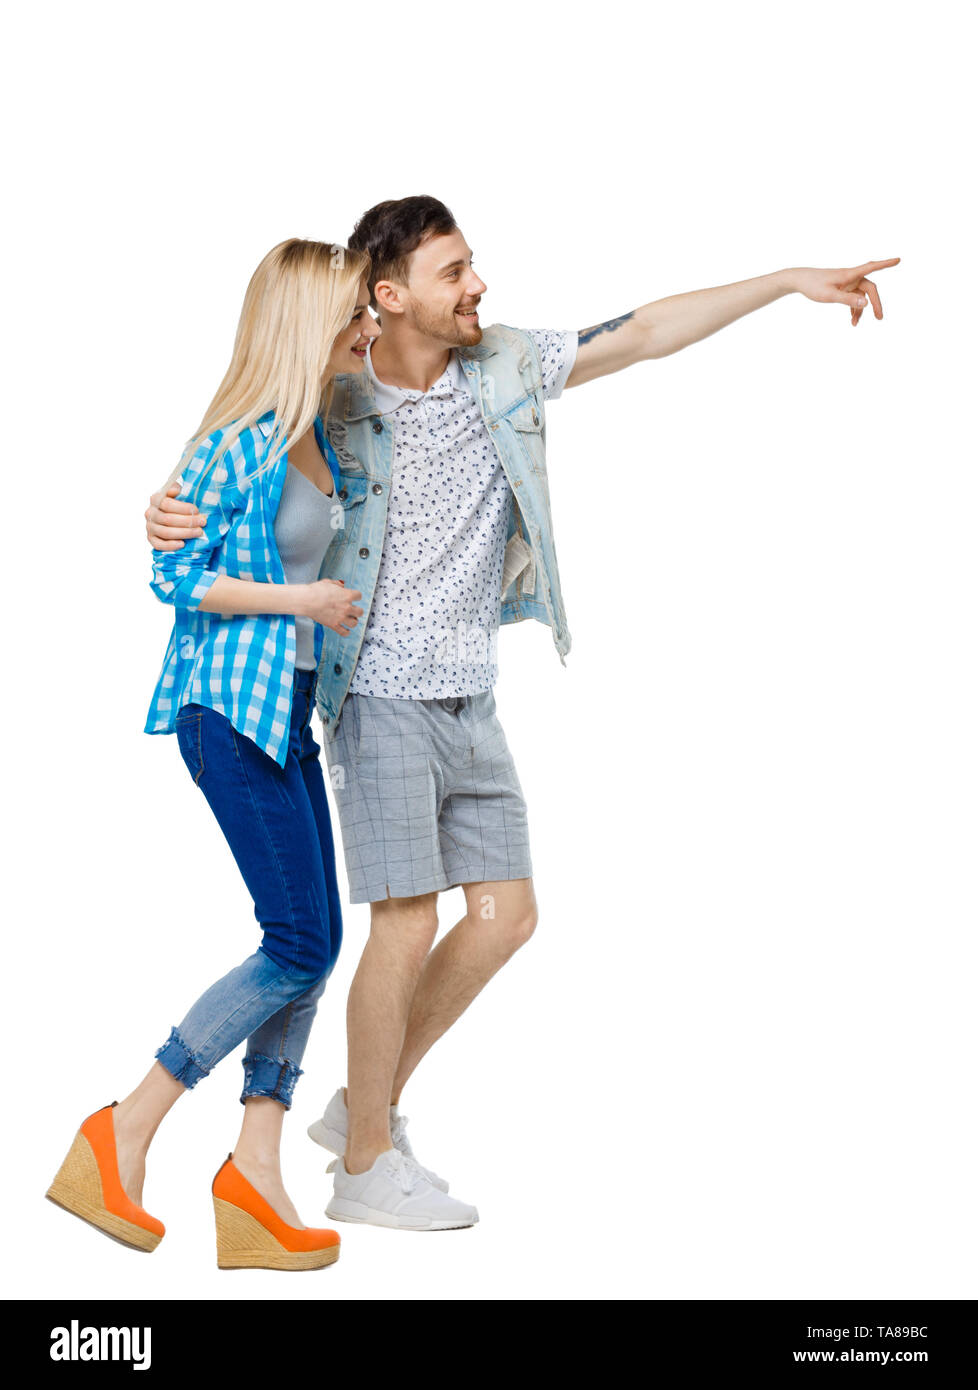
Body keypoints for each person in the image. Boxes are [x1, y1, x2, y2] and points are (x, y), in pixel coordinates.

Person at [145, 196, 900, 1232]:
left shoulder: (504, 365)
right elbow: (251, 422)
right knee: (402, 924)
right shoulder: (339, 389)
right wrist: (167, 505)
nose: (479, 286)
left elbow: (638, 333)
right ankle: (367, 1162)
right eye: (454, 271)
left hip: (473, 692)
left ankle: (354, 1109)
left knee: (507, 916)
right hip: (375, 692)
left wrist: (782, 283)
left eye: (474, 266)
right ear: (388, 293)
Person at [48, 237, 375, 1270]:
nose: (368, 328)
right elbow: (175, 579)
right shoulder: (236, 442)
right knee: (298, 941)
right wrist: (300, 599)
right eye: (354, 315)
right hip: (226, 714)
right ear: (307, 323)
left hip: (290, 713)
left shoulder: (331, 429)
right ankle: (128, 1124)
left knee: (315, 938)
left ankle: (256, 1168)